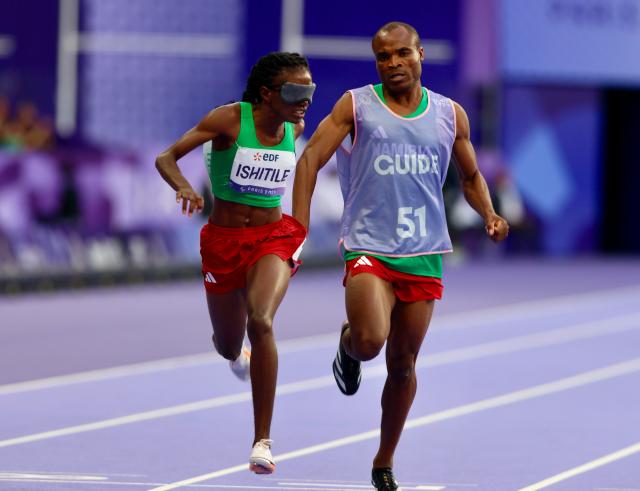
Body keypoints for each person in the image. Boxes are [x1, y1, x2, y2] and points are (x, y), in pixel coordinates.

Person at [292, 22, 508, 490]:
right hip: (369, 245)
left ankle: (383, 461)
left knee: (404, 365)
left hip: (425, 250)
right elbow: (310, 159)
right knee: (372, 340)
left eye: (402, 54)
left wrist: (489, 213)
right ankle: (348, 345)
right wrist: (299, 228)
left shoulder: (451, 115)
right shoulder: (357, 105)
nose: (393, 64)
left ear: (421, 55)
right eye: (383, 57)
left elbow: (470, 177)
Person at [155, 52, 314, 474]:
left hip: (272, 239)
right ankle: (235, 354)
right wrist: (186, 188)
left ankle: (262, 440)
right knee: (228, 342)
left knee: (261, 320)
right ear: (267, 93)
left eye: (309, 90)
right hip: (224, 243)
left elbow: (305, 172)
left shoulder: (294, 128)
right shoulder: (229, 119)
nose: (305, 100)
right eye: (297, 91)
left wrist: (300, 221)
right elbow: (166, 158)